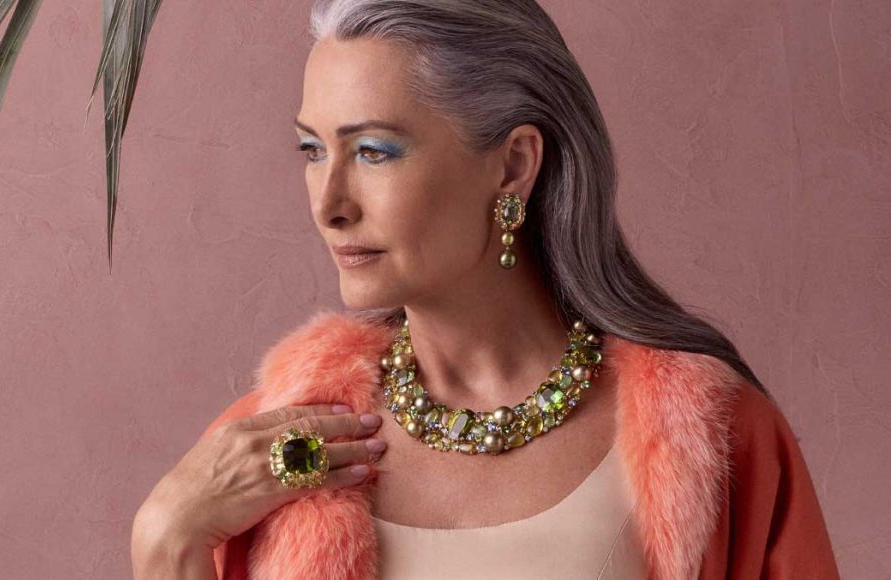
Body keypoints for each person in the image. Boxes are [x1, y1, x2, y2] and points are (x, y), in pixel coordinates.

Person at [131, 1, 841, 579]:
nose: (329, 203)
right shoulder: (274, 446)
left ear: (513, 166)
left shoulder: (709, 437)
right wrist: (166, 538)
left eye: (374, 151)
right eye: (313, 151)